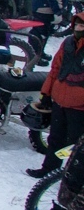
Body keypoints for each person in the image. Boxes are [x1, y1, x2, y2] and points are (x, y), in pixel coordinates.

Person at [28, 11, 84, 180]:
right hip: (60, 101)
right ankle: (49, 170)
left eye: (82, 26)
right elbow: (55, 70)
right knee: (55, 139)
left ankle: (71, 179)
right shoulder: (67, 43)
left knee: (74, 146)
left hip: (80, 107)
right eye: (76, 25)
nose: (78, 28)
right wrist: (46, 93)